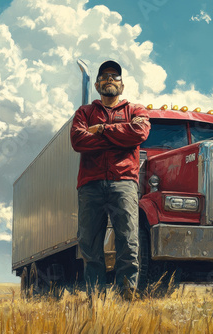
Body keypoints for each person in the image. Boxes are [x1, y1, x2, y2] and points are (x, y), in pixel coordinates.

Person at [70, 60, 150, 299]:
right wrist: (121, 135)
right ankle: (94, 299)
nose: (109, 80)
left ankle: (127, 297)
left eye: (115, 76)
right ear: (96, 85)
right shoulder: (84, 112)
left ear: (122, 86)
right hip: (90, 184)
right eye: (104, 76)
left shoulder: (136, 110)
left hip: (124, 182)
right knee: (90, 245)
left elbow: (139, 134)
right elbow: (78, 141)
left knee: (128, 241)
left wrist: (101, 130)